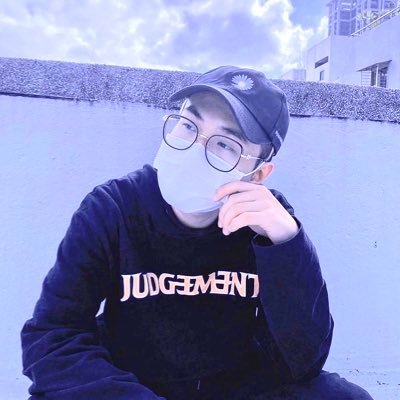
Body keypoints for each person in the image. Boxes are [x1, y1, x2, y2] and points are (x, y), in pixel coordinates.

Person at [20, 66, 374, 400]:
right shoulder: (113, 207)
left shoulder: (266, 220)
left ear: (257, 175)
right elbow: (52, 336)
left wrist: (287, 244)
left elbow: (304, 362)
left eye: (225, 145)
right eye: (189, 125)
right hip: (131, 382)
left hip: (234, 386)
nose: (195, 148)